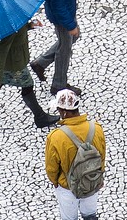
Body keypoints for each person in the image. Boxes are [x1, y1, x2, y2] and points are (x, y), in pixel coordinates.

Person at [0, 20, 60, 128]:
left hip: (13, 62)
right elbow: (1, 52)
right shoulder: (9, 25)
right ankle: (40, 117)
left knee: (2, 82)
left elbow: (19, 31)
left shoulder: (13, 20)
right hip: (14, 65)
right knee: (27, 85)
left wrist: (29, 25)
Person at [31, 0, 87, 95]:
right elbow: (58, 3)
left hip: (67, 11)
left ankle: (40, 63)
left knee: (70, 39)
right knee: (65, 49)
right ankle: (59, 85)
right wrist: (70, 25)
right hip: (62, 16)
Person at [45, 89, 105, 220]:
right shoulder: (97, 128)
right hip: (91, 181)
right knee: (90, 215)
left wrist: (55, 182)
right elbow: (102, 155)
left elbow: (52, 168)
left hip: (67, 187)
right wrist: (99, 177)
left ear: (64, 112)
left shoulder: (56, 137)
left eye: (59, 110)